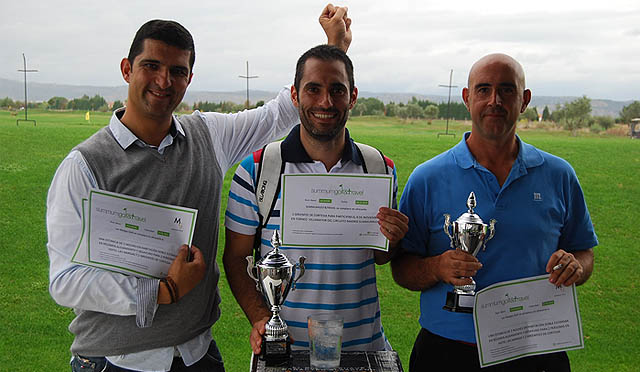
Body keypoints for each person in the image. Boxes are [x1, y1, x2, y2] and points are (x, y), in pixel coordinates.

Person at [46, 7, 350, 371]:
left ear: (189, 78)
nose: (164, 81)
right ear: (127, 69)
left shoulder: (208, 136)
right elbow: (65, 280)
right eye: (151, 66)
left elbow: (280, 112)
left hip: (198, 354)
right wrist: (162, 291)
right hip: (117, 360)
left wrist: (334, 48)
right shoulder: (84, 165)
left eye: (177, 71)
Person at [391, 53, 597, 372]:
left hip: (538, 351)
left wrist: (576, 267)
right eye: (483, 89)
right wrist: (436, 267)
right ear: (467, 97)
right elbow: (402, 269)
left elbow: (584, 251)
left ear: (524, 100)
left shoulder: (559, 174)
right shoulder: (426, 178)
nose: (494, 100)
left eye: (507, 90)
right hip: (447, 352)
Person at [223, 43, 409, 354]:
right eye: (313, 89)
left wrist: (395, 238)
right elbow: (236, 258)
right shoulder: (257, 170)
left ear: (353, 96)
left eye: (338, 89)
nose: (326, 101)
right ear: (295, 95)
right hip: (286, 349)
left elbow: (380, 256)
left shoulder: (379, 167)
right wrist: (260, 318)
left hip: (364, 349)